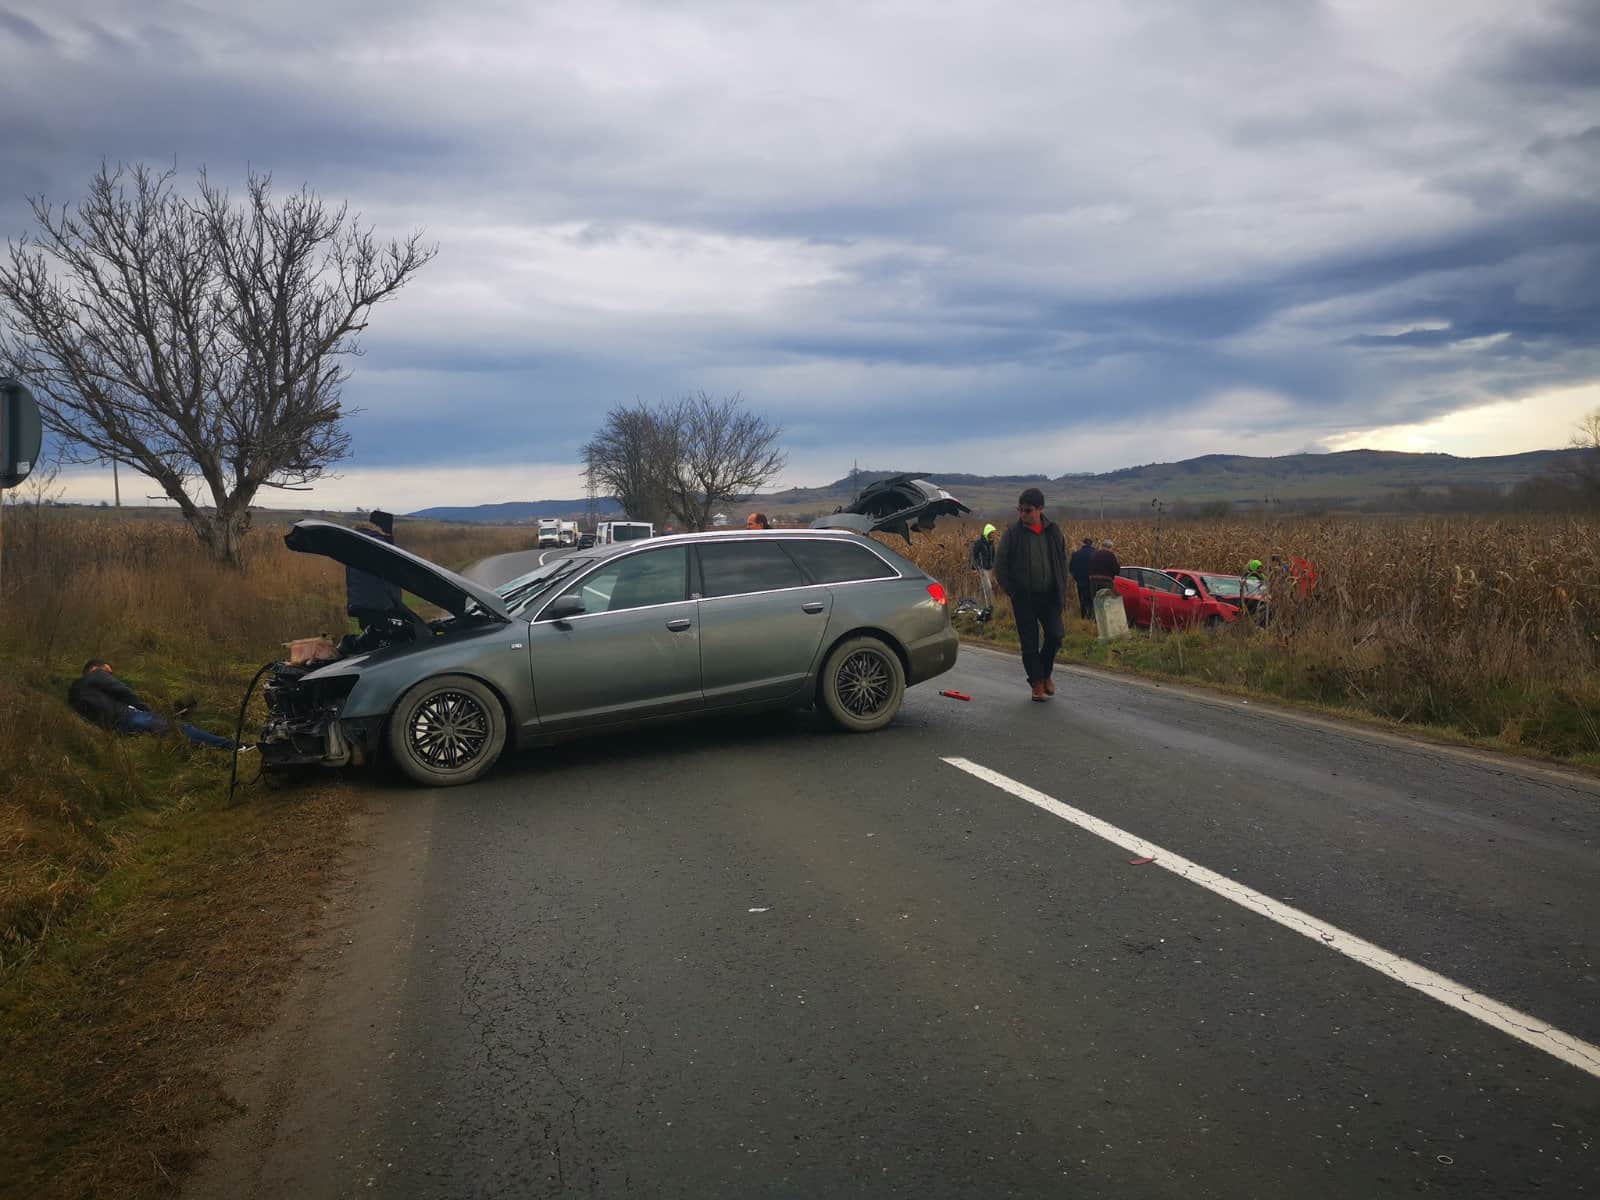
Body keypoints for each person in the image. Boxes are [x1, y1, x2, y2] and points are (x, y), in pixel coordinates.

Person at [994, 488, 1069, 702]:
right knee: (1029, 642)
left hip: (1049, 596)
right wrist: (1012, 591)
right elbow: (1000, 566)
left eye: (1028, 510)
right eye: (1020, 510)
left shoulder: (1053, 532)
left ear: (1040, 509)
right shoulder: (1013, 533)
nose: (1023, 515)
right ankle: (1036, 683)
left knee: (1055, 635)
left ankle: (1045, 674)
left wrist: (1061, 587)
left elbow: (1062, 562)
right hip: (1024, 597)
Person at [67, 661, 238, 749]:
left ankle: (213, 746)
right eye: (109, 672)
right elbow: (121, 689)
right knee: (180, 729)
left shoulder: (75, 695)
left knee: (171, 733)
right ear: (99, 668)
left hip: (118, 729)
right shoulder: (96, 674)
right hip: (128, 717)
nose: (111, 675)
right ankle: (234, 746)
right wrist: (144, 708)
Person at [968, 523, 998, 618]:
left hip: (989, 568)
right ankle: (991, 607)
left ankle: (980, 605)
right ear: (987, 533)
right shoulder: (979, 543)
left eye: (994, 533)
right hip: (982, 568)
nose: (993, 535)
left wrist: (994, 566)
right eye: (992, 533)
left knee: (983, 587)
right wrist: (974, 568)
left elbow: (993, 555)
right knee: (988, 587)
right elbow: (974, 555)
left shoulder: (991, 543)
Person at [1068, 536, 1095, 619]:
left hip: (1080, 581)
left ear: (1083, 544)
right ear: (1091, 544)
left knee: (1082, 599)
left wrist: (1076, 577)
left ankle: (1083, 616)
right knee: (1091, 600)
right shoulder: (1095, 553)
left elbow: (1071, 568)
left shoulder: (1076, 554)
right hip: (1092, 581)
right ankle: (1091, 617)